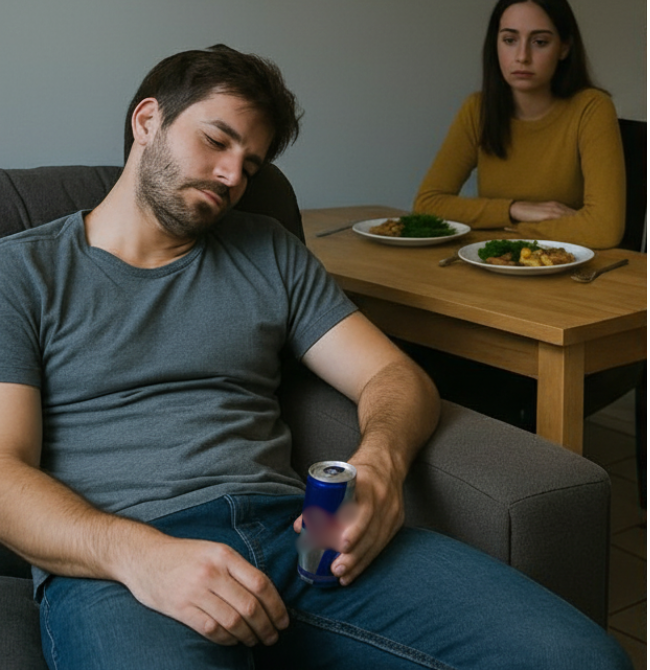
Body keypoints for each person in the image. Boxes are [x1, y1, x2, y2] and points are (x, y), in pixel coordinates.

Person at [0, 44, 631, 670]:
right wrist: (139, 557)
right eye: (216, 141)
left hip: (295, 535)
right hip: (125, 569)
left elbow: (394, 376)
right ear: (147, 121)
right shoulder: (24, 273)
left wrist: (379, 464)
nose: (231, 178)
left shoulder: (267, 251)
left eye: (249, 164)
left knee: (579, 656)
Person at [414, 0, 626, 249]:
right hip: (493, 264)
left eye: (539, 42)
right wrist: (515, 209)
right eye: (510, 40)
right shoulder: (477, 110)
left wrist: (506, 228)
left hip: (567, 271)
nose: (522, 56)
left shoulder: (591, 108)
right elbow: (427, 204)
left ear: (564, 47)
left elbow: (603, 230)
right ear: (496, 44)